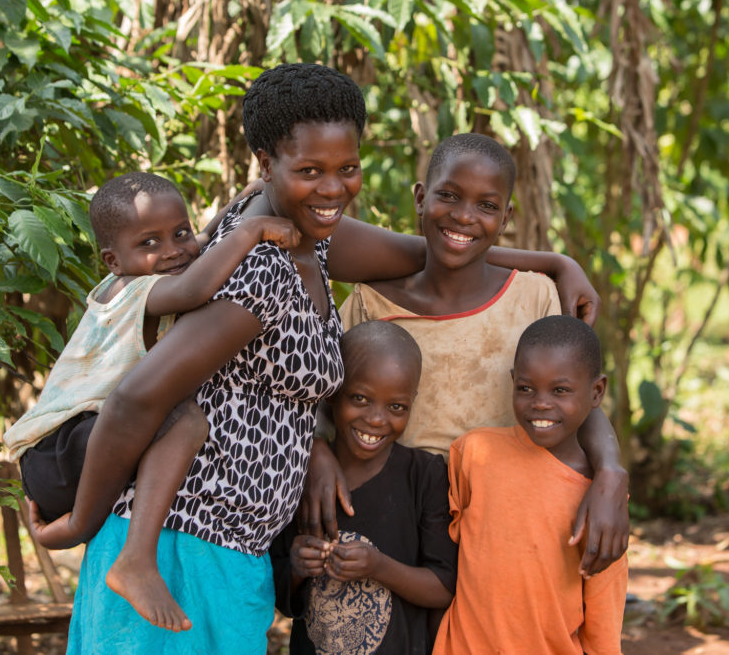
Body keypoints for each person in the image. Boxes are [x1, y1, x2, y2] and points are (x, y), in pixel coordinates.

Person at [47, 65, 605, 653]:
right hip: (178, 543)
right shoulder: (259, 266)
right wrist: (83, 520)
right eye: (310, 171)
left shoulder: (312, 236)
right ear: (266, 163)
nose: (334, 189)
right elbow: (141, 395)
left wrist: (552, 262)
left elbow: (436, 246)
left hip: (233, 548)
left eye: (348, 169)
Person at [313, 133, 629, 576]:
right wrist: (315, 450)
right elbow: (321, 397)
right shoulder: (371, 304)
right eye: (449, 196)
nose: (463, 216)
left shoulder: (533, 296)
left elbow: (575, 401)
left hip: (507, 526)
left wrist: (612, 471)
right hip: (393, 530)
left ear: (506, 217)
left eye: (486, 205)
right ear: (421, 198)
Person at [5, 171, 299, 631]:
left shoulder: (155, 266)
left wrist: (240, 203)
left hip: (81, 441)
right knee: (185, 420)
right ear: (113, 260)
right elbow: (195, 288)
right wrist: (251, 230)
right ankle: (136, 560)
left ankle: (116, 547)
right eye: (149, 242)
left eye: (178, 232)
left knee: (175, 415)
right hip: (60, 448)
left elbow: (202, 242)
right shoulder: (136, 288)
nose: (173, 250)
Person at [434, 314, 628, 654]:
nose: (540, 402)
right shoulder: (474, 453)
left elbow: (603, 626)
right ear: (512, 382)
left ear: (596, 391)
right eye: (526, 388)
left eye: (560, 390)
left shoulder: (600, 499)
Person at [271, 321, 457, 655]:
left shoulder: (424, 476)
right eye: (360, 398)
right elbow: (278, 595)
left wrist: (379, 567)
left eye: (396, 406)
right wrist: (298, 569)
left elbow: (444, 587)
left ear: (412, 402)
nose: (375, 419)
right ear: (332, 396)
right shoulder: (301, 477)